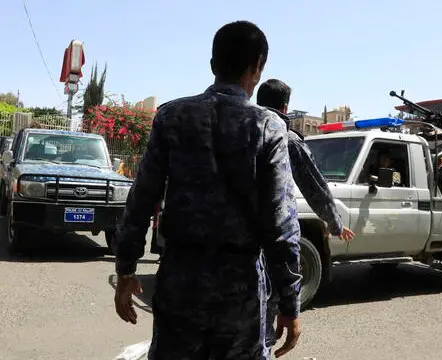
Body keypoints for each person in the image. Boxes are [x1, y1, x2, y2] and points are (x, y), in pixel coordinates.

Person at [113, 21, 302, 360]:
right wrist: (290, 301)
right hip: (240, 289)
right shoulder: (267, 126)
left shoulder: (171, 117)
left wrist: (126, 270)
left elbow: (141, 200)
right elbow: (281, 223)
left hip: (180, 281)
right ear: (257, 66)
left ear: (213, 64)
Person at [256, 78, 355, 354]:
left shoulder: (235, 127)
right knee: (261, 326)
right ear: (285, 105)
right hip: (263, 252)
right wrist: (335, 224)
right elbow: (316, 188)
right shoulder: (286, 138)